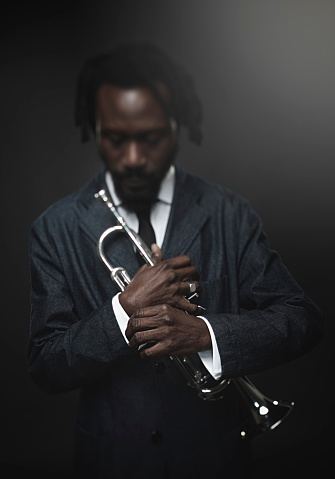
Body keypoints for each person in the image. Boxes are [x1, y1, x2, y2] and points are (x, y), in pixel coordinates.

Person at [28, 43, 323, 478]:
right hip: (112, 461)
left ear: (177, 125)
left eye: (150, 138)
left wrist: (203, 333)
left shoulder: (229, 213)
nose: (132, 158)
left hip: (212, 459)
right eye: (114, 138)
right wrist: (124, 310)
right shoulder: (56, 227)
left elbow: (303, 321)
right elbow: (46, 367)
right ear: (94, 128)